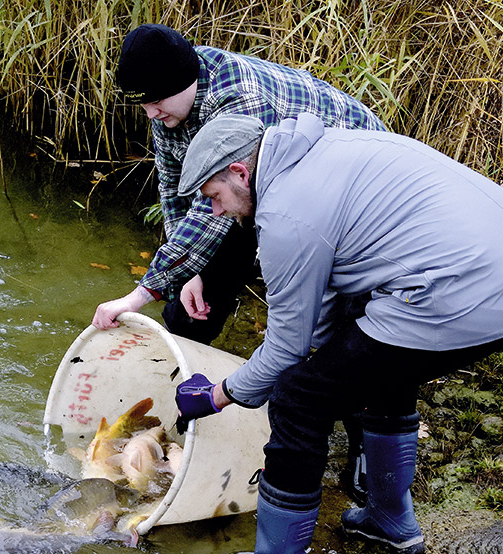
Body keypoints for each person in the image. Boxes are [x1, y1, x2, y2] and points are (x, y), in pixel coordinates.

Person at [172, 112, 503, 554]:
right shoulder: (320, 151)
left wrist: (219, 393)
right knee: (380, 362)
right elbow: (331, 306)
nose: (214, 210)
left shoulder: (285, 216)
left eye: (212, 196)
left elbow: (288, 349)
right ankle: (389, 520)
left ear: (241, 173)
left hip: (468, 290)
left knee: (299, 401)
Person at [92, 23, 385, 498]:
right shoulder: (168, 106)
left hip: (342, 192)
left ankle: (363, 452)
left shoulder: (239, 101)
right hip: (253, 191)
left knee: (343, 329)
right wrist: (187, 273)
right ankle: (182, 413)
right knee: (186, 306)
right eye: (142, 104)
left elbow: (224, 210)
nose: (150, 114)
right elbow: (179, 195)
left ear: (182, 83)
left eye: (155, 102)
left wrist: (137, 293)